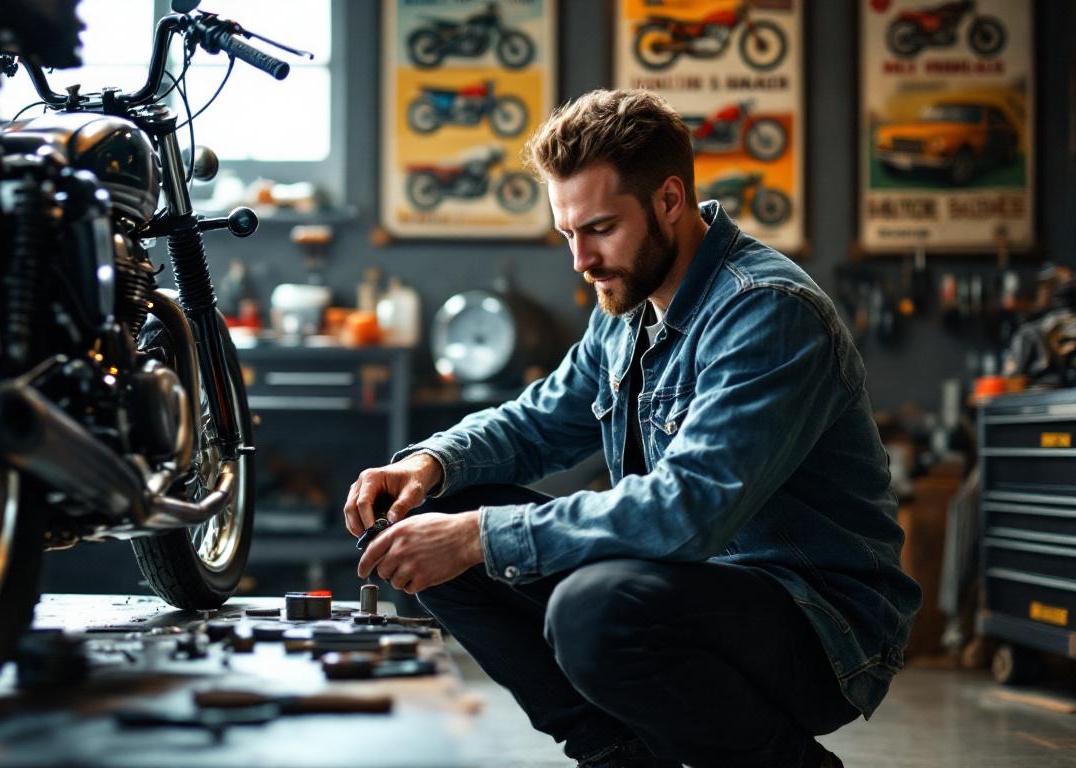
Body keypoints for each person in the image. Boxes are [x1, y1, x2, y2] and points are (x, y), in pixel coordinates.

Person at [344, 89, 919, 768]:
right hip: (685, 587)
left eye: (599, 229)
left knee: (593, 610)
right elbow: (540, 421)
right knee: (423, 517)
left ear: (669, 201)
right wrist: (431, 464)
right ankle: (620, 756)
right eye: (568, 234)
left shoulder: (769, 311)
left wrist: (479, 537)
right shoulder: (625, 301)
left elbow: (689, 509)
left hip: (821, 625)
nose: (581, 260)